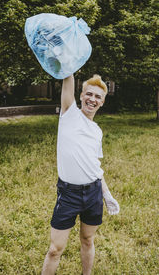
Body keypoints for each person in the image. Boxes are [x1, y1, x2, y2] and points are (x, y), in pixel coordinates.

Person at [42, 74, 120, 275]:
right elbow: (67, 76)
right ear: (81, 95)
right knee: (54, 249)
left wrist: (107, 194)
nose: (92, 99)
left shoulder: (97, 131)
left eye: (97, 97)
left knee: (87, 240)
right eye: (89, 94)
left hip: (93, 193)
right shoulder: (69, 113)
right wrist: (68, 54)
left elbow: (94, 166)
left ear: (102, 102)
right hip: (69, 194)